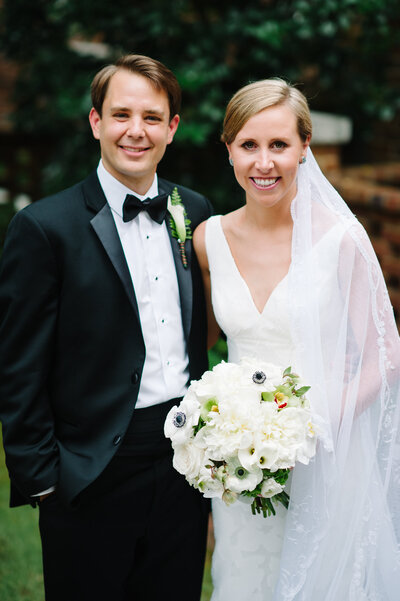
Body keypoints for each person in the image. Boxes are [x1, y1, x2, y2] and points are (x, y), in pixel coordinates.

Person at [0, 54, 212, 601]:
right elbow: (18, 365)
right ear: (96, 122)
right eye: (120, 114)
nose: (135, 131)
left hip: (183, 462)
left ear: (172, 128)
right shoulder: (44, 227)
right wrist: (43, 479)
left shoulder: (195, 210)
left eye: (151, 116)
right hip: (91, 469)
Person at [194, 78, 400, 600]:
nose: (264, 163)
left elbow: (384, 354)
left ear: (304, 148)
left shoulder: (339, 239)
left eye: (280, 145)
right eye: (249, 145)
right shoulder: (208, 238)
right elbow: (202, 344)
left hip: (325, 455)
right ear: (229, 150)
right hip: (242, 468)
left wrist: (311, 425)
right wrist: (216, 431)